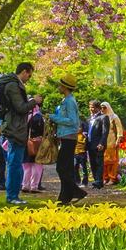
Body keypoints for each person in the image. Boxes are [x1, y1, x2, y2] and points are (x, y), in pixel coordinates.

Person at [0, 62, 43, 207]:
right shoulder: (13, 86)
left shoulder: (12, 84)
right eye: (29, 74)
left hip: (16, 127)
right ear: (23, 71)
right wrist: (34, 101)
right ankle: (12, 196)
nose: (29, 77)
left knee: (16, 163)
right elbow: (20, 108)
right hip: (15, 129)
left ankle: (13, 195)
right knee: (15, 164)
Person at [46, 72, 83, 205]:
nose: (58, 87)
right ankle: (65, 196)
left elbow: (73, 121)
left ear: (65, 87)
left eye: (60, 85)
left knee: (62, 167)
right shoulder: (66, 100)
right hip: (65, 137)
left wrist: (54, 118)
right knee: (65, 168)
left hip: (69, 138)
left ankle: (75, 191)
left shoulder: (69, 101)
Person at [22, 103, 46, 193]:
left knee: (26, 166)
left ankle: (25, 185)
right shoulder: (38, 117)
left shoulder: (23, 117)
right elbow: (43, 131)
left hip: (25, 143)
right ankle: (34, 186)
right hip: (37, 144)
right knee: (37, 166)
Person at [86, 100, 108, 187]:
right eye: (90, 107)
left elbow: (105, 132)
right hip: (90, 143)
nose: (90, 109)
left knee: (99, 162)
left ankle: (99, 181)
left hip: (99, 144)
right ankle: (96, 180)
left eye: (93, 107)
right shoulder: (89, 118)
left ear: (98, 108)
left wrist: (102, 143)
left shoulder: (103, 117)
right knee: (92, 163)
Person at [101, 101, 123, 185]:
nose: (103, 109)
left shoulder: (114, 117)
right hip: (103, 142)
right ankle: (105, 178)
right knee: (104, 161)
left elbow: (119, 129)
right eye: (101, 107)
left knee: (112, 161)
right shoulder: (101, 117)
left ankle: (112, 178)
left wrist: (118, 139)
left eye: (104, 107)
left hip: (112, 141)